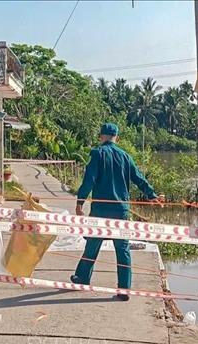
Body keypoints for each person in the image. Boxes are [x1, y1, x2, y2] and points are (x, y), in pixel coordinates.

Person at [70, 123, 164, 301]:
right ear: (117, 138)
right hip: (121, 211)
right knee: (122, 249)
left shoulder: (97, 154)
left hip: (100, 210)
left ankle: (82, 278)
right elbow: (138, 178)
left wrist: (80, 203)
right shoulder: (126, 157)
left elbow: (88, 181)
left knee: (92, 245)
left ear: (101, 136)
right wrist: (152, 195)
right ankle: (124, 289)